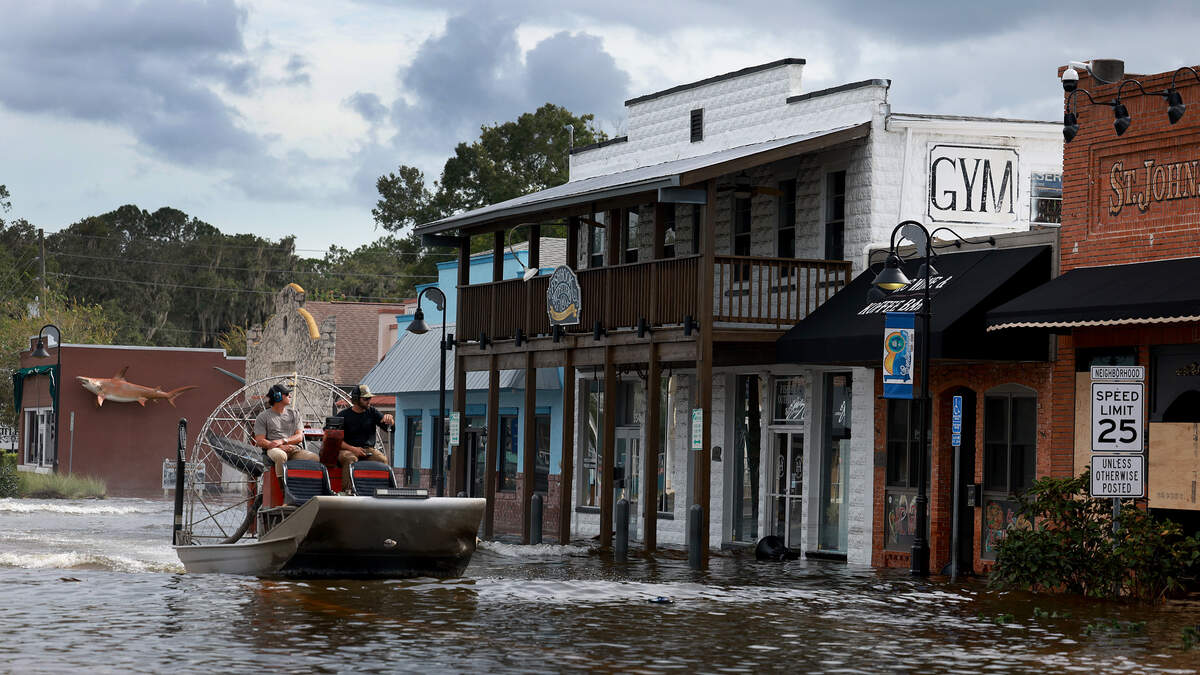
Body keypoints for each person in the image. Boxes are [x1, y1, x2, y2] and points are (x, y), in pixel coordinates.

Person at [253, 383, 318, 474]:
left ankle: (305, 485)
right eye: (287, 394)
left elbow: (299, 436)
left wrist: (283, 441)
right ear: (278, 396)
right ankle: (282, 486)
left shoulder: (295, 414)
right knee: (280, 456)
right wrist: (280, 446)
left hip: (293, 449)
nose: (290, 396)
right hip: (274, 450)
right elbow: (260, 441)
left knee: (314, 458)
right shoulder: (263, 417)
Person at [334, 384, 393, 483]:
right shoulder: (343, 416)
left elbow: (388, 428)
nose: (369, 401)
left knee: (382, 460)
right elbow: (334, 440)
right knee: (350, 459)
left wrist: (390, 421)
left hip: (367, 450)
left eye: (369, 398)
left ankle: (380, 490)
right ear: (356, 400)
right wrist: (353, 449)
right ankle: (348, 492)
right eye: (365, 399)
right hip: (346, 450)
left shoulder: (372, 412)